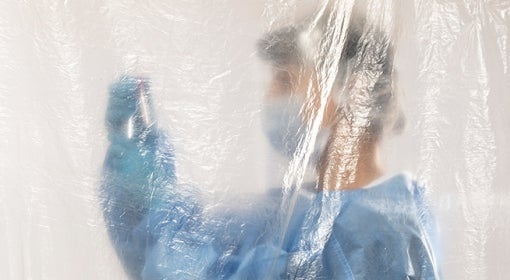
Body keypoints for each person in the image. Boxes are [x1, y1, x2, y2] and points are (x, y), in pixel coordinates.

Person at [101, 3, 440, 279]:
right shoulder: (293, 212)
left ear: (354, 93)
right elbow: (179, 258)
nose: (269, 97)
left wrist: (156, 202)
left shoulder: (376, 233)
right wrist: (138, 185)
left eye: (286, 81)